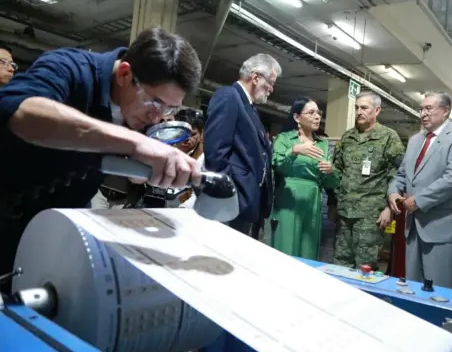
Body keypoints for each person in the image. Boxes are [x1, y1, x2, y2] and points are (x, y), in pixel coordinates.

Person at [0, 27, 203, 286]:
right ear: (125, 73)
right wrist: (136, 143)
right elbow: (18, 110)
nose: (157, 117)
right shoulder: (70, 67)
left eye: (169, 108)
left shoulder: (140, 115)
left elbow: (131, 173)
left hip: (56, 230)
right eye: (155, 102)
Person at [387, 91, 452, 289]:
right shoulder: (415, 140)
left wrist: (418, 200)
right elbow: (402, 174)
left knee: (437, 290)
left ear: (445, 111)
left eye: (428, 108)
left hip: (441, 229)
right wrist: (393, 192)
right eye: (421, 109)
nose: (423, 114)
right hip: (413, 227)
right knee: (412, 287)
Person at [203, 53, 281, 237]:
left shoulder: (249, 107)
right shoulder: (229, 97)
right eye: (270, 83)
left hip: (246, 204)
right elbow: (215, 153)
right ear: (255, 77)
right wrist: (230, 195)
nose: (271, 89)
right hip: (232, 203)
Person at [330, 90, 405, 270]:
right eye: (356, 108)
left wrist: (389, 209)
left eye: (364, 108)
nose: (359, 112)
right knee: (341, 263)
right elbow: (337, 172)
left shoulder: (388, 137)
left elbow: (399, 173)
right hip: (344, 213)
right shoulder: (348, 137)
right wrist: (332, 203)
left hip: (371, 216)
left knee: (365, 266)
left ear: (377, 110)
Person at [270, 97, 340, 259]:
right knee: (286, 247)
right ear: (297, 117)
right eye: (311, 112)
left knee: (308, 250)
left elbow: (330, 183)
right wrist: (294, 151)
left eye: (318, 113)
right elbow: (278, 166)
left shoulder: (322, 144)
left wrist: (331, 171)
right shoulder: (284, 139)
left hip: (312, 201)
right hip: (289, 198)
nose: (317, 116)